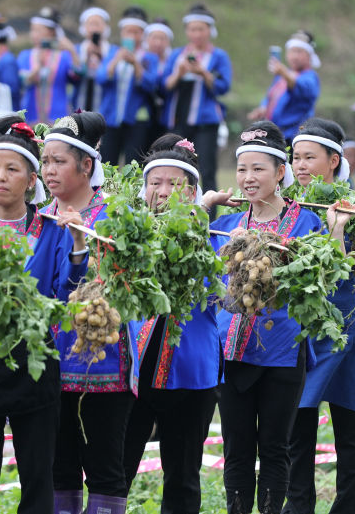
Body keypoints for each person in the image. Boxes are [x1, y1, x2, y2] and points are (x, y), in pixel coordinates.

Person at [0, 117, 88, 514]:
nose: (0, 177)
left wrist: (78, 244)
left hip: (36, 368)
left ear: (31, 180)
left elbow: (67, 294)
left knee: (38, 481)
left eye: (12, 169)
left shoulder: (54, 231)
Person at [207, 121, 344, 514]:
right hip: (232, 351)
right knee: (236, 447)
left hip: (284, 354)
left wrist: (336, 233)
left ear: (280, 172)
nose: (248, 179)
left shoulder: (307, 223)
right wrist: (203, 208)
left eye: (259, 169)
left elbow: (327, 280)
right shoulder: (226, 226)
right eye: (242, 170)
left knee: (275, 446)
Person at [41, 112, 138, 514]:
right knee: (57, 468)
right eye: (44, 161)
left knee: (105, 470)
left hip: (105, 364)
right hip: (49, 363)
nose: (49, 170)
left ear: (86, 165)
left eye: (58, 161)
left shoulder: (118, 217)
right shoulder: (39, 218)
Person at [124, 134, 221, 514]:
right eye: (155, 183)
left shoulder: (213, 238)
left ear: (193, 191)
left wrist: (199, 225)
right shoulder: (128, 237)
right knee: (117, 469)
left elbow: (222, 296)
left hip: (191, 372)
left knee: (182, 476)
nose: (162, 192)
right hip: (133, 370)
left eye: (175, 184)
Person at [283, 118, 355, 514]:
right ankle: (299, 504)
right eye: (295, 157)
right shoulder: (287, 207)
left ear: (334, 160)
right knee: (298, 420)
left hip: (341, 327)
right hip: (301, 328)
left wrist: (337, 231)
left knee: (347, 422)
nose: (300, 165)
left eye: (309, 157)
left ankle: (349, 507)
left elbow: (350, 270)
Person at [162, 4, 231, 197]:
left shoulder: (218, 56)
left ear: (210, 31)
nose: (197, 34)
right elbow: (164, 86)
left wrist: (204, 73)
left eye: (201, 29)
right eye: (192, 29)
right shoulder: (176, 55)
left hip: (206, 122)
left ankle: (210, 214)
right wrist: (179, 73)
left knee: (207, 169)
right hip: (178, 120)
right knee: (176, 166)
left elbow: (223, 87)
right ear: (186, 31)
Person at [96, 6, 159, 166]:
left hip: (137, 119)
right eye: (128, 31)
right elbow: (101, 78)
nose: (132, 36)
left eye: (136, 32)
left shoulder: (149, 58)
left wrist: (136, 65)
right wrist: (116, 61)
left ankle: (132, 192)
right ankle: (108, 192)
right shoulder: (112, 53)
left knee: (134, 163)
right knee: (108, 163)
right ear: (122, 33)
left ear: (142, 35)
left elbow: (151, 85)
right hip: (110, 117)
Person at [247, 31, 321, 144]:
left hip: (293, 137)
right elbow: (270, 97)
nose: (295, 56)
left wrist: (283, 72)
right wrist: (263, 108)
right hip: (274, 135)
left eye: (299, 52)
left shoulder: (310, 77)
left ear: (309, 55)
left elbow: (300, 88)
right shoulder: (281, 77)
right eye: (292, 51)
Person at [18, 6, 81, 124]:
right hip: (31, 117)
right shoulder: (25, 56)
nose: (33, 34)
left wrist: (72, 51)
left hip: (57, 117)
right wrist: (37, 69)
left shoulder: (64, 56)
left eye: (38, 30)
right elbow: (21, 82)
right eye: (32, 30)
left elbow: (76, 77)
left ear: (51, 32)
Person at [71, 6, 116, 113]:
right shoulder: (76, 50)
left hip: (105, 107)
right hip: (79, 102)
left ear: (105, 27)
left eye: (98, 24)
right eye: (91, 24)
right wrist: (86, 57)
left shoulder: (113, 51)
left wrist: (101, 56)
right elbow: (73, 76)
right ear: (83, 27)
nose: (94, 29)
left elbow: (112, 78)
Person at [144, 18, 174, 144]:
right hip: (145, 114)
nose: (158, 43)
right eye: (154, 38)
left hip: (166, 114)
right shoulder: (141, 59)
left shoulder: (173, 60)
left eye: (162, 39)